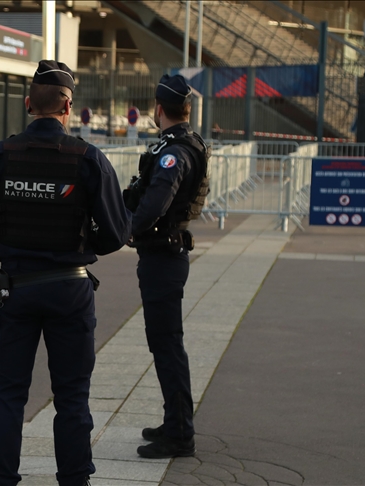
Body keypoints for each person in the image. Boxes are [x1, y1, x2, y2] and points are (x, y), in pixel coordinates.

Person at [0, 60, 132, 486]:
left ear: (27, 105)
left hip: (14, 291)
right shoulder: (89, 158)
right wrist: (77, 241)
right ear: (68, 106)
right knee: (72, 397)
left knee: (9, 396)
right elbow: (116, 234)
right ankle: (74, 480)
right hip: (69, 290)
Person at [124, 74, 210, 459]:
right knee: (164, 344)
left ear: (159, 109)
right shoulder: (184, 143)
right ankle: (174, 421)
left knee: (167, 345)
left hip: (163, 256)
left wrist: (127, 229)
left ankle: (180, 434)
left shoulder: (175, 152)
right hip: (165, 256)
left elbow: (158, 199)